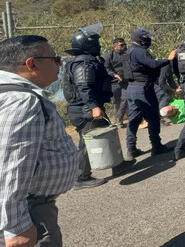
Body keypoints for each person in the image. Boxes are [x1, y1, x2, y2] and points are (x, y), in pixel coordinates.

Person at [0, 35, 78, 246]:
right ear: (32, 63)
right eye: (55, 59)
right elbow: (10, 167)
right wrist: (17, 227)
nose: (60, 64)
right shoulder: (22, 102)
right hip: (29, 211)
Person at [62, 26, 114, 189]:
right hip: (84, 108)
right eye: (96, 42)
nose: (98, 45)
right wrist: (94, 106)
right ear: (88, 44)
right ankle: (80, 177)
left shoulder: (87, 60)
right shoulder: (84, 62)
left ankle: (117, 163)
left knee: (106, 134)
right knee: (88, 142)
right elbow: (84, 86)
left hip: (88, 107)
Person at [122, 28, 176, 160]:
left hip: (132, 88)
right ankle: (156, 146)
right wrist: (168, 60)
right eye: (146, 37)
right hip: (143, 88)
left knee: (133, 119)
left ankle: (131, 148)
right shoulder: (140, 51)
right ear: (140, 38)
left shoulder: (128, 51)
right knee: (152, 117)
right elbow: (152, 64)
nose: (148, 40)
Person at [104, 38, 128, 127]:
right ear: (115, 46)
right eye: (121, 45)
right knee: (117, 102)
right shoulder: (109, 55)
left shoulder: (128, 53)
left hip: (126, 82)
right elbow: (106, 68)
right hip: (114, 83)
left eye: (124, 44)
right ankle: (119, 120)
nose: (124, 46)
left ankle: (119, 117)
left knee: (126, 99)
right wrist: (114, 75)